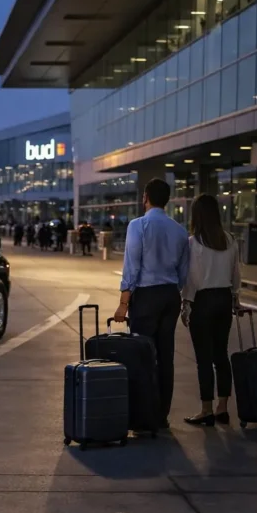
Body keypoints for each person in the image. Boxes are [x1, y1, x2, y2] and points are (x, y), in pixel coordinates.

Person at [113, 178, 189, 428]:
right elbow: (184, 273)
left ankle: (143, 415)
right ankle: (161, 415)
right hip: (170, 295)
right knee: (166, 356)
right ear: (167, 200)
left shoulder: (138, 225)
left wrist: (124, 302)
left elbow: (132, 266)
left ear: (145, 197)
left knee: (143, 354)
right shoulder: (180, 231)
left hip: (146, 296)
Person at [180, 194, 242, 426]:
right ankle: (222, 408)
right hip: (224, 299)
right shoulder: (229, 239)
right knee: (221, 355)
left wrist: (186, 304)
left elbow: (191, 278)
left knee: (203, 358)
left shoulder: (193, 243)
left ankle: (206, 409)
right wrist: (235, 298)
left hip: (203, 300)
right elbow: (236, 274)